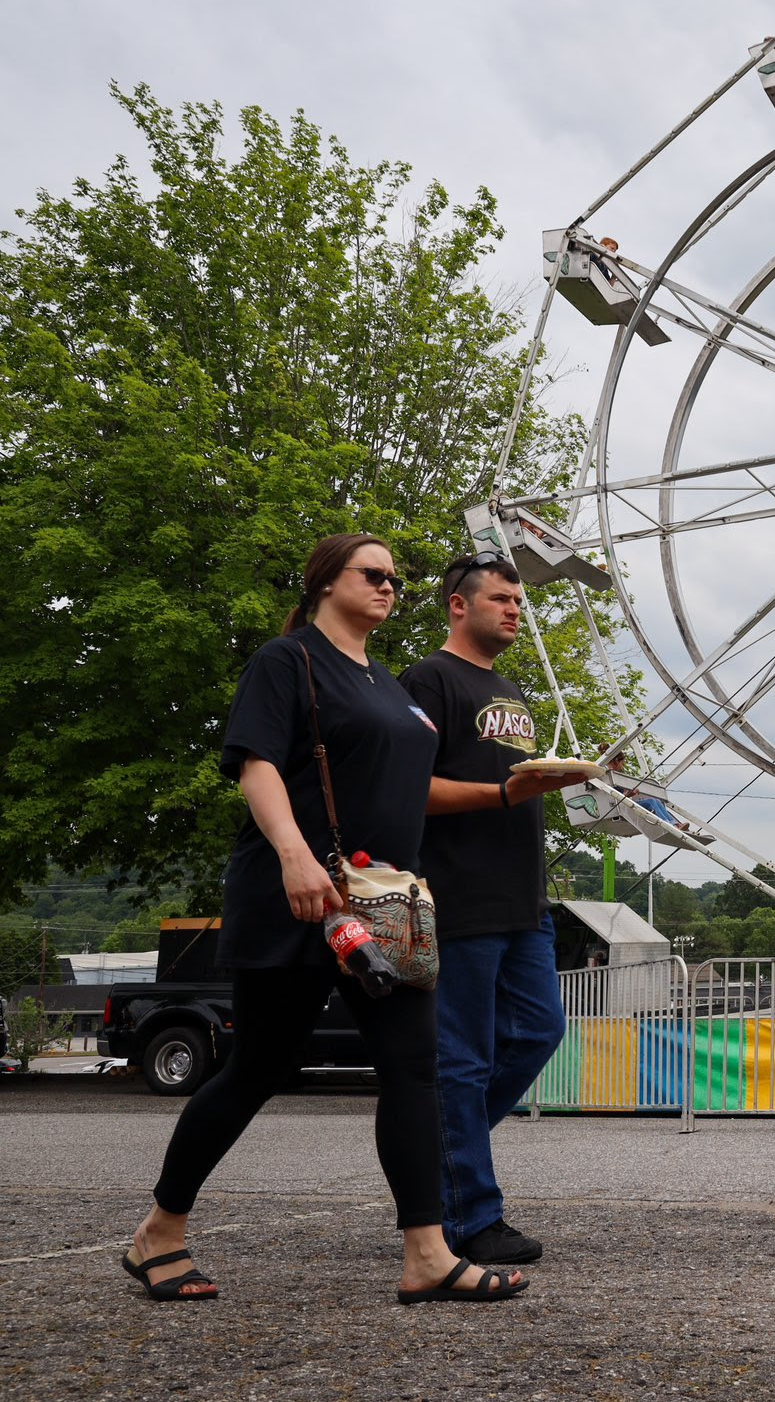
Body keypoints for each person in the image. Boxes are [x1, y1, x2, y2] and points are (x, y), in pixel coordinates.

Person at [124, 534, 525, 1303]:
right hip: (299, 898)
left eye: (395, 581)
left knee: (414, 1070)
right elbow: (257, 762)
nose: (388, 588)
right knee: (256, 1071)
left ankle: (427, 1255)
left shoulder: (384, 679)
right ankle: (160, 1232)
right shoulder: (290, 662)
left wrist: (510, 792)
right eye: (373, 575)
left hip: (382, 904)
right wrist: (293, 854)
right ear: (323, 583)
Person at [400, 551, 574, 1267]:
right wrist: (506, 793)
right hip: (459, 897)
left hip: (523, 900)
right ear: (457, 605)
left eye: (518, 601)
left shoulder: (514, 691)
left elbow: (515, 787)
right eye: (500, 598)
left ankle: (436, 1163)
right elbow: (411, 788)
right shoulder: (427, 681)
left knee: (540, 1032)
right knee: (462, 1063)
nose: (514, 610)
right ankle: (471, 1213)